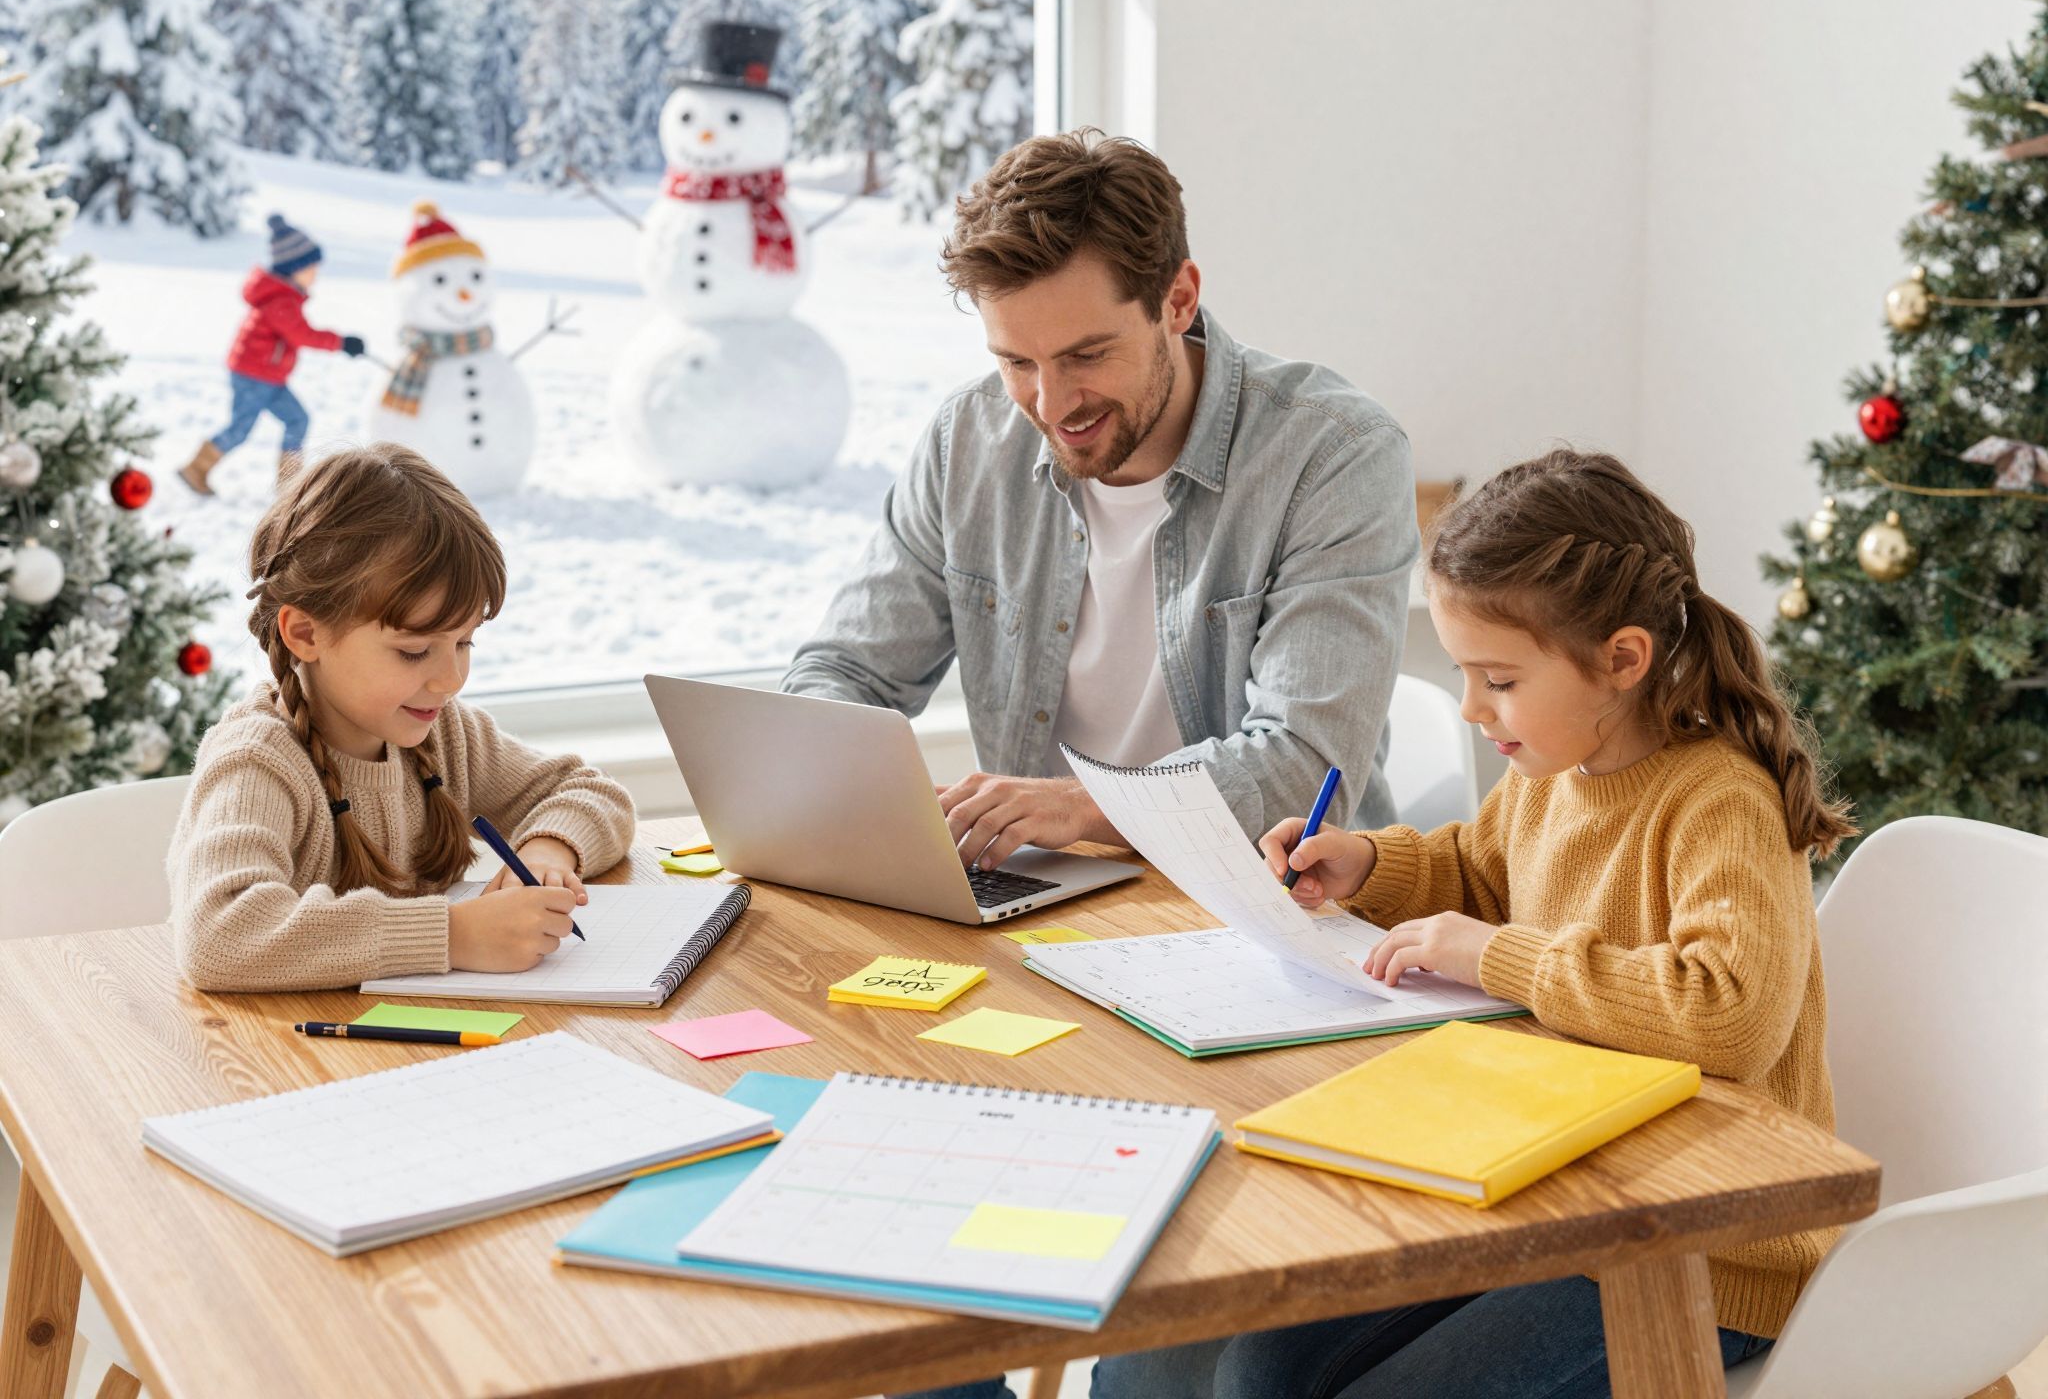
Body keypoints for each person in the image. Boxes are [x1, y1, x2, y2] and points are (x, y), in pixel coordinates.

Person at [904, 449, 1845, 1399]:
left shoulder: (1720, 797)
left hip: (1701, 1247)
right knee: (1259, 1367)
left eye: (1500, 680)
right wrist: (1370, 864)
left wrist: (1499, 958)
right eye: (1466, 676)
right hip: (1551, 1185)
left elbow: (1728, 1013)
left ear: (1623, 660)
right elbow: (1479, 873)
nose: (1475, 708)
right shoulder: (1555, 771)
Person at [784, 130, 1416, 869]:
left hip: (1271, 906)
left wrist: (1080, 807)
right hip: (1049, 899)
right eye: (1017, 361)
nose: (1051, 404)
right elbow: (846, 671)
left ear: (1177, 300)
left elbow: (1308, 769)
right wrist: (841, 772)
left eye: (1087, 355)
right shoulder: (969, 440)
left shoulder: (1333, 454)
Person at [168, 444, 635, 992]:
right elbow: (218, 936)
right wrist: (452, 935)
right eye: (415, 651)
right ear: (306, 633)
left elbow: (593, 793)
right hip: (294, 1062)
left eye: (464, 642)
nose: (450, 678)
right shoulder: (258, 763)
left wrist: (550, 848)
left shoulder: (444, 732)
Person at [178, 212, 368, 495]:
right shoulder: (280, 301)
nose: (316, 273)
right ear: (294, 268)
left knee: (297, 419)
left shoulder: (284, 297)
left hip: (268, 376)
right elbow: (302, 335)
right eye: (312, 267)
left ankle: (289, 483)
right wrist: (341, 343)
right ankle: (196, 468)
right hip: (254, 375)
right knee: (240, 429)